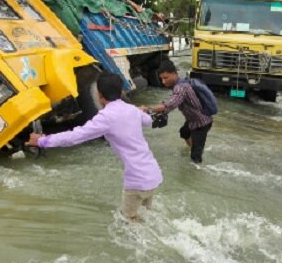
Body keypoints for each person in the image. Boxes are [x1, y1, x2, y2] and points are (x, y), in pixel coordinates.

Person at [26, 72, 163, 222]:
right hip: (153, 174)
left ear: (100, 95)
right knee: (147, 218)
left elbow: (75, 136)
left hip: (137, 181)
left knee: (126, 222)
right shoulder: (132, 110)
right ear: (121, 91)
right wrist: (139, 110)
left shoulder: (105, 117)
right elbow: (148, 121)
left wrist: (42, 141)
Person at [144, 60, 213, 164]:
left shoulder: (181, 88)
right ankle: (194, 147)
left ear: (174, 74)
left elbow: (170, 104)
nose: (163, 81)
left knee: (195, 158)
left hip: (202, 123)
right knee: (184, 132)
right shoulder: (181, 83)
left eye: (166, 78)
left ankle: (197, 165)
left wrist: (148, 109)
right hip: (192, 120)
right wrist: (162, 112)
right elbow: (173, 104)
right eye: (161, 79)